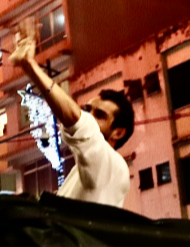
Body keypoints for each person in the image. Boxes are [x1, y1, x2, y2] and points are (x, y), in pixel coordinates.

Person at [8, 19, 135, 207]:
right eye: (87, 109)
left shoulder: (114, 167)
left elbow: (82, 126)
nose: (90, 116)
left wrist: (30, 65)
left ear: (118, 132)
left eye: (99, 115)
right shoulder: (83, 173)